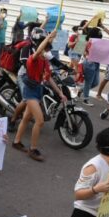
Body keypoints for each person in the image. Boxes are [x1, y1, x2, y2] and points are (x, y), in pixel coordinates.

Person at [12, 29, 66, 162]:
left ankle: (16, 142)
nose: (46, 52)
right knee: (40, 121)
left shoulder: (45, 63)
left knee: (26, 118)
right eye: (45, 49)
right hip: (30, 91)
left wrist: (60, 93)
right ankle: (33, 149)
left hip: (38, 90)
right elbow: (38, 49)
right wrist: (48, 37)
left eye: (48, 50)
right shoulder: (33, 59)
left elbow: (49, 79)